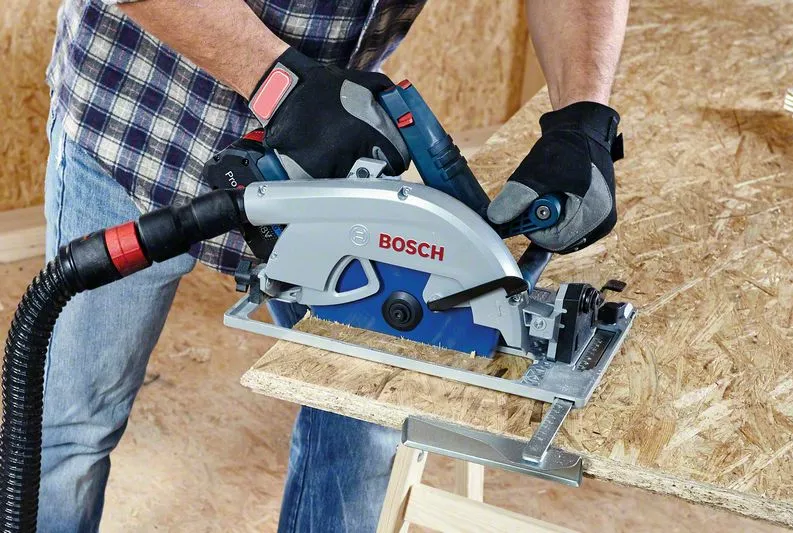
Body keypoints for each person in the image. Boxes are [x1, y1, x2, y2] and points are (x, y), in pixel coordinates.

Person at [41, 0, 629, 530]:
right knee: (72, 427)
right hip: (137, 123)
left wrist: (582, 119)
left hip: (323, 153)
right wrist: (277, 83)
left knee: (360, 430)